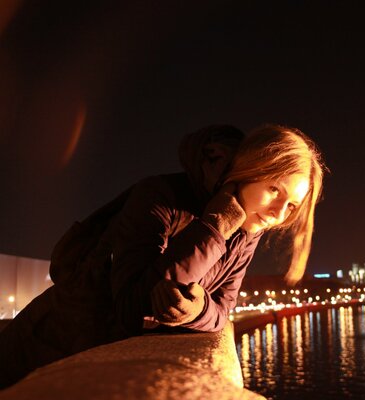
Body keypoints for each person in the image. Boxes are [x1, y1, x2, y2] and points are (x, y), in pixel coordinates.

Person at [0, 123, 326, 389]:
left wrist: (197, 309)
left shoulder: (248, 231)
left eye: (292, 206)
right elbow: (133, 306)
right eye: (274, 190)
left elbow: (223, 308)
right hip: (40, 348)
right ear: (248, 168)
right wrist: (215, 227)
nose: (279, 213)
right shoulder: (160, 197)